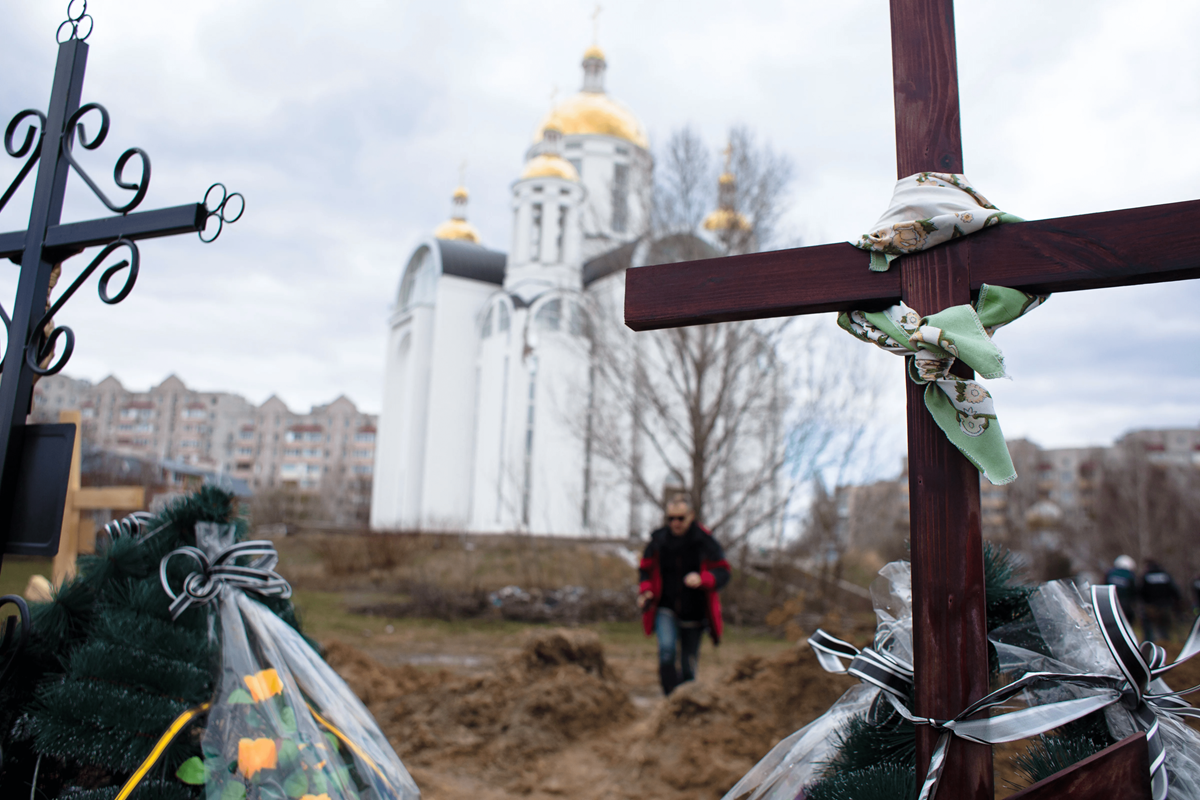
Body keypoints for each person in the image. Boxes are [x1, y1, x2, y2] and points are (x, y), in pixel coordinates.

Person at [637, 495, 730, 695]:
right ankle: (669, 699)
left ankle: (684, 704)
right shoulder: (658, 540)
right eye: (671, 518)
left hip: (695, 612)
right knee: (667, 651)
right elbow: (644, 569)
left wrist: (703, 579)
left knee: (688, 667)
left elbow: (723, 572)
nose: (675, 523)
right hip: (665, 607)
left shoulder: (705, 541)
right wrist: (645, 591)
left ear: (691, 516)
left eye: (680, 518)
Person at [1140, 559, 1181, 643]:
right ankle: (1166, 645)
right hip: (1165, 605)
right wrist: (1177, 602)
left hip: (1151, 606)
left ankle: (1149, 644)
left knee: (1149, 628)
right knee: (1164, 628)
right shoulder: (1165, 575)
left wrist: (1145, 602)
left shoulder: (1146, 576)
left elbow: (1141, 591)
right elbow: (1174, 590)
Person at [1104, 554, 1138, 621]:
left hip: (1110, 602)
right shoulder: (1130, 575)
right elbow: (1134, 591)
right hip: (1125, 604)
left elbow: (1104, 586)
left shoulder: (1110, 573)